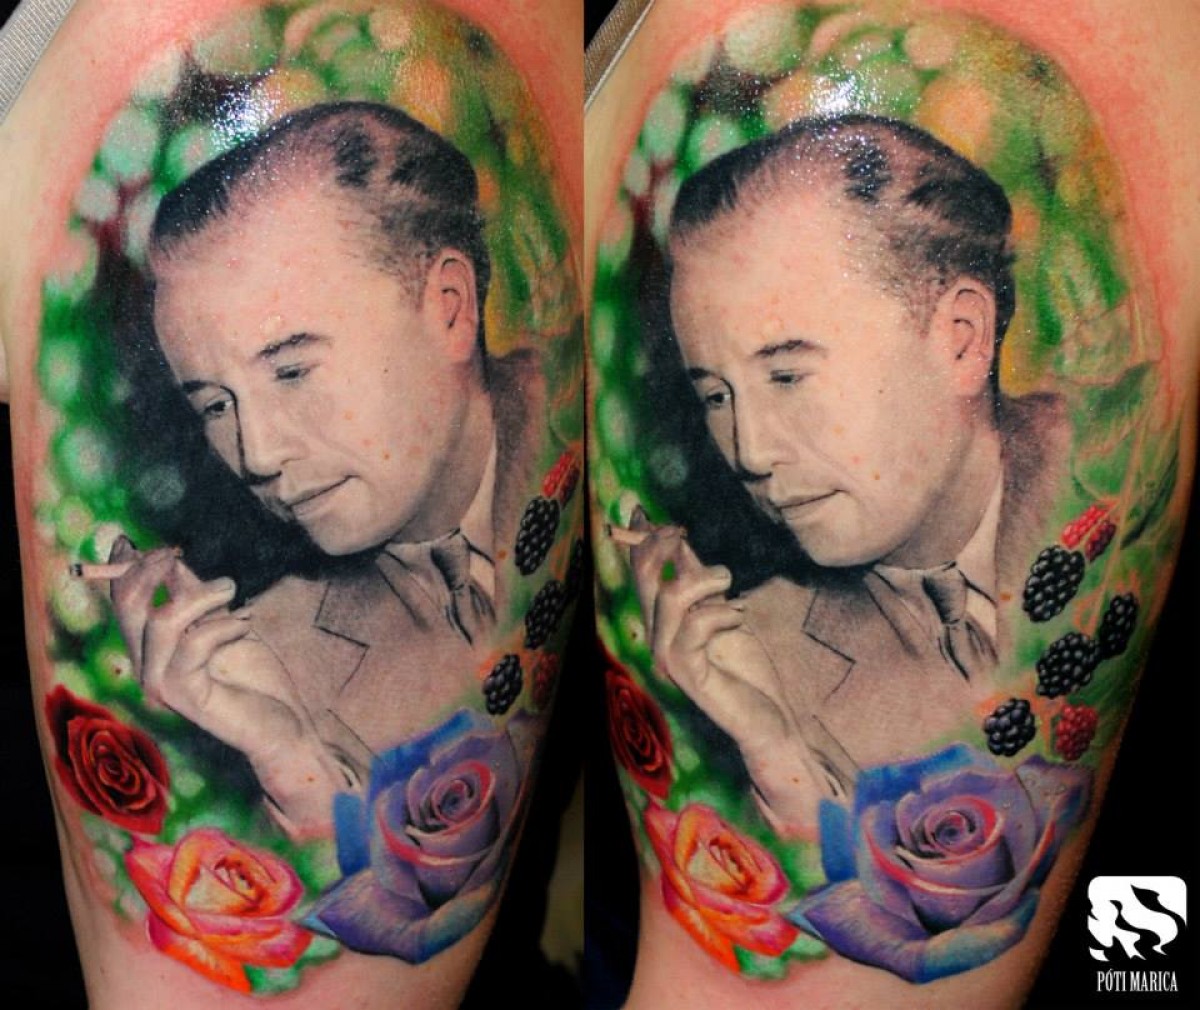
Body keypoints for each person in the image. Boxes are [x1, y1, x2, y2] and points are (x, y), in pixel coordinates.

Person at [109, 101, 542, 833]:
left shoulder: (581, 424)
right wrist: (291, 760)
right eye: (214, 405)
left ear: (449, 308)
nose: (256, 455)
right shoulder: (265, 657)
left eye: (292, 371)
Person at [629, 115, 1070, 830]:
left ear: (960, 340)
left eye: (787, 376)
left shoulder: (1114, 481)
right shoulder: (754, 652)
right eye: (715, 396)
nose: (748, 451)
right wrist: (780, 760)